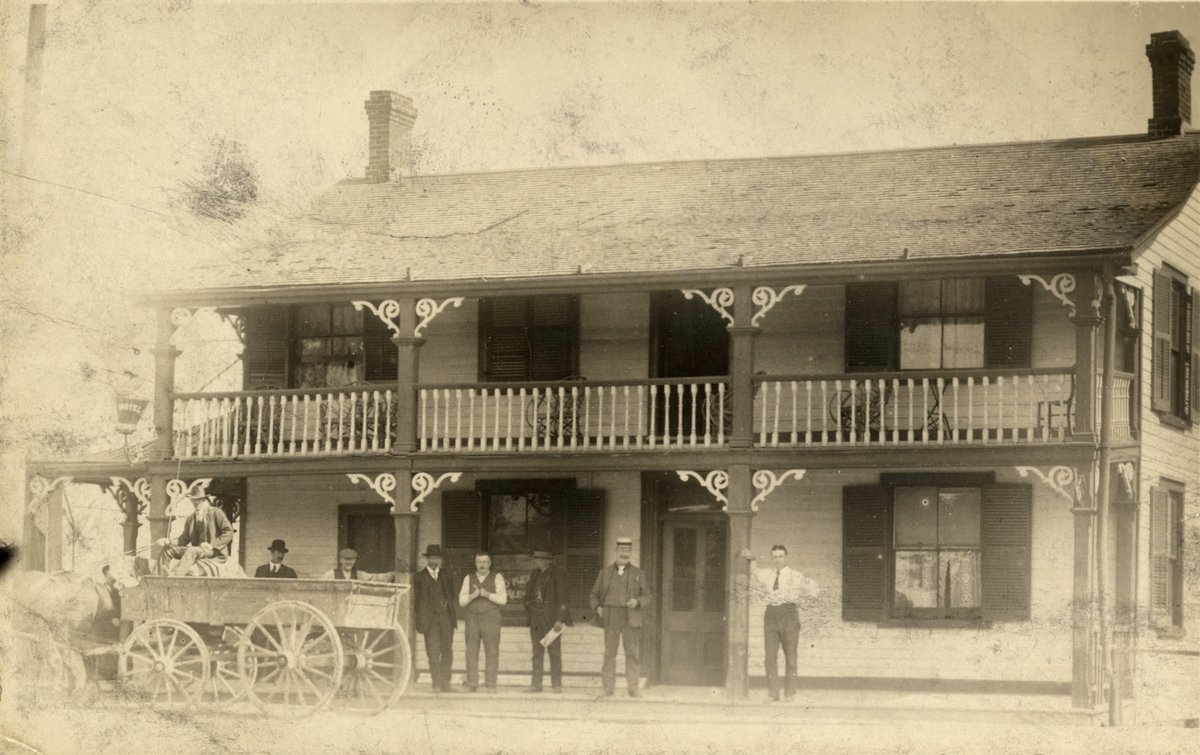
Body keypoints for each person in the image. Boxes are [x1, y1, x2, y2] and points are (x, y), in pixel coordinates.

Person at [741, 544, 819, 702]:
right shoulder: (768, 575)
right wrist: (752, 558)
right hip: (771, 616)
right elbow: (754, 571)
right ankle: (773, 694)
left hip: (789, 615)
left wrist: (799, 601)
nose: (777, 560)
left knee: (790, 655)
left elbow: (814, 589)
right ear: (772, 558)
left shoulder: (795, 575)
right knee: (769, 657)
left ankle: (790, 693)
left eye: (780, 556)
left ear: (786, 557)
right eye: (775, 557)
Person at [589, 537, 653, 699]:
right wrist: (598, 608)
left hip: (630, 617)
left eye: (627, 551)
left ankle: (633, 688)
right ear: (616, 552)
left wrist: (637, 602)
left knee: (632, 653)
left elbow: (648, 596)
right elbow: (593, 595)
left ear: (630, 553)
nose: (624, 554)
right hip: (611, 617)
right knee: (610, 653)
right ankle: (608, 689)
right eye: (621, 550)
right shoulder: (604, 573)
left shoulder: (639, 573)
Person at [523, 549, 570, 693]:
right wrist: (530, 607)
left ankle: (557, 685)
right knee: (537, 653)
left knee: (554, 653)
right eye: (536, 559)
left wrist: (560, 619)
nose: (537, 561)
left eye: (539, 559)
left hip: (551, 620)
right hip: (536, 620)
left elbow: (563, 598)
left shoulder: (557, 575)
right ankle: (536, 685)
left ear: (547, 560)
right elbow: (527, 596)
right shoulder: (535, 575)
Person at [458, 552, 507, 693]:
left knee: (491, 650)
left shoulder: (497, 577)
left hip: (491, 617)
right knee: (471, 651)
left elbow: (503, 600)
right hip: (472, 617)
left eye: (485, 562)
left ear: (490, 563)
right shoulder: (469, 578)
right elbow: (461, 601)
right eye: (479, 562)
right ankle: (472, 682)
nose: (482, 565)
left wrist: (487, 595)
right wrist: (473, 595)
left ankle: (491, 684)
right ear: (475, 563)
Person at [412, 544, 457, 693]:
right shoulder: (419, 577)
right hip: (429, 621)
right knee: (433, 652)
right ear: (427, 559)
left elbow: (452, 595)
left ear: (440, 559)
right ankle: (436, 684)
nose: (434, 560)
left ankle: (446, 683)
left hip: (445, 619)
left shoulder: (447, 575)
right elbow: (417, 601)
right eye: (432, 557)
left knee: (447, 651)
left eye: (437, 557)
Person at [156, 492, 233, 576]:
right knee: (167, 550)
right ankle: (160, 576)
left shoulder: (216, 513)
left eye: (197, 504)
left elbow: (228, 531)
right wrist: (168, 541)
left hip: (214, 551)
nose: (196, 508)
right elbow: (184, 539)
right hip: (198, 550)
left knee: (192, 550)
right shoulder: (191, 518)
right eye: (194, 505)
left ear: (205, 501)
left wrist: (212, 545)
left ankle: (175, 575)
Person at [321, 548, 395, 581]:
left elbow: (374, 578)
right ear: (341, 560)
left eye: (351, 559)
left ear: (355, 561)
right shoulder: (331, 574)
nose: (349, 562)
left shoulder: (359, 575)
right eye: (346, 559)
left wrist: (391, 574)